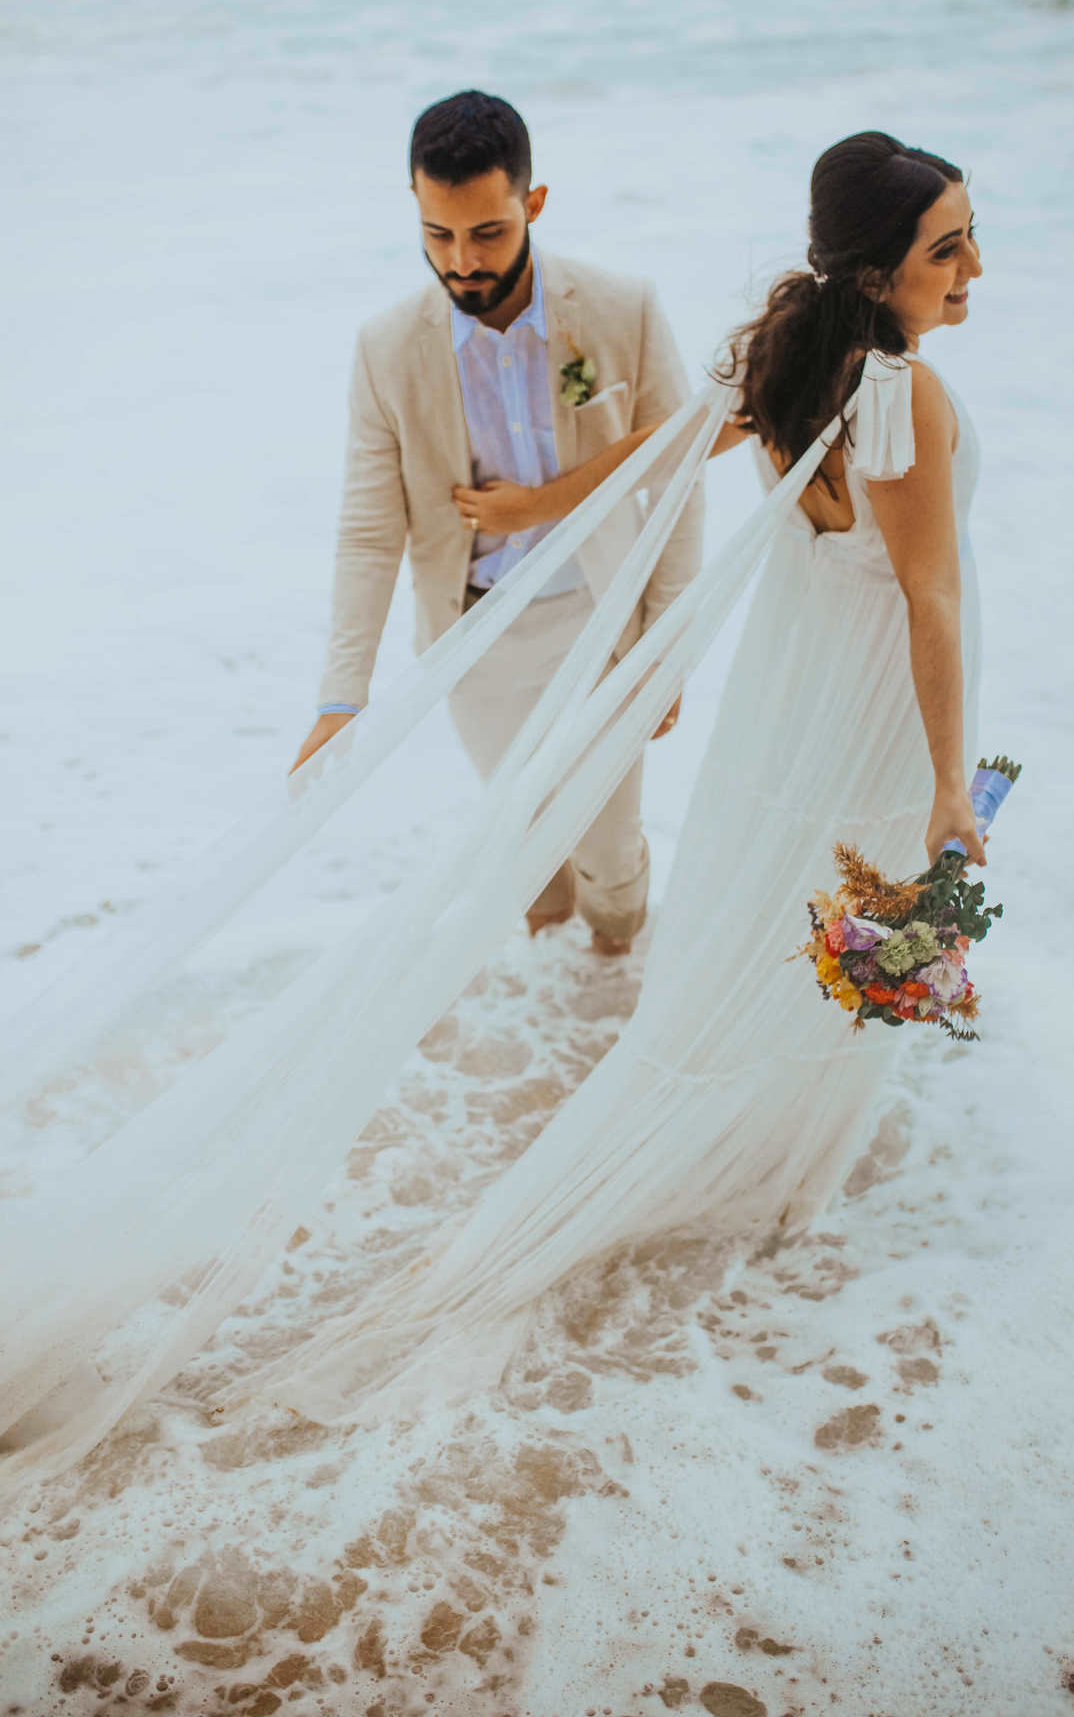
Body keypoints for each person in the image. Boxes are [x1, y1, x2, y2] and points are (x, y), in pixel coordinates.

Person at [227, 128, 989, 1422]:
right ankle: (796, 1177)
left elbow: (656, 451)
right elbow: (932, 604)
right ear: (877, 272)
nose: (973, 269)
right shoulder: (901, 395)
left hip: (789, 692)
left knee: (799, 903)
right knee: (872, 913)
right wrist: (954, 786)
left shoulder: (787, 358)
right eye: (948, 248)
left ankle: (766, 1137)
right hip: (872, 702)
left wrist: (540, 508)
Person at [291, 88, 703, 954]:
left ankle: (615, 978)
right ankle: (548, 1017)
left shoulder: (622, 306)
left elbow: (678, 479)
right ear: (415, 206)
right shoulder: (386, 348)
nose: (462, 262)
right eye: (438, 235)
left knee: (609, 847)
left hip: (603, 618)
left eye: (488, 233)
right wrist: (341, 697)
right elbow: (370, 531)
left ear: (533, 204)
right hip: (472, 637)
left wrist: (667, 646)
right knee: (521, 836)